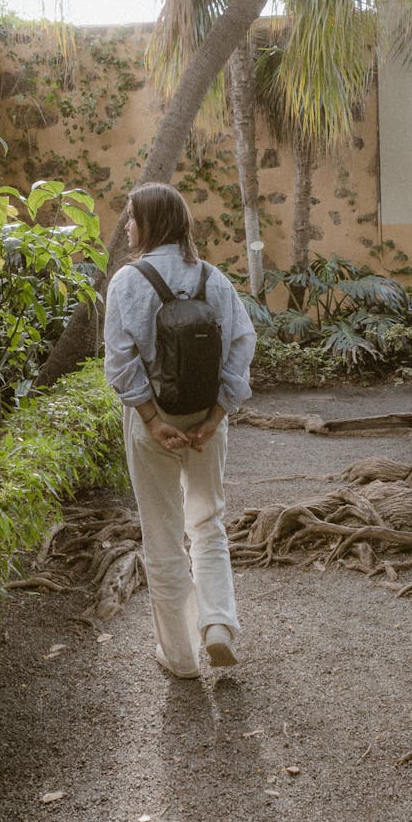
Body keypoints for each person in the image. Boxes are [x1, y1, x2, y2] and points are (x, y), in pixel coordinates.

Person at [103, 183, 257, 678]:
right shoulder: (213, 278)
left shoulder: (127, 282)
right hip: (205, 423)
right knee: (208, 524)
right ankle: (217, 625)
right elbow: (241, 346)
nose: (127, 226)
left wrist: (152, 419)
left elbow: (120, 364)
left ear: (150, 223)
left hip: (154, 424)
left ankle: (180, 657)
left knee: (162, 535)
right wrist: (216, 415)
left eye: (131, 217)